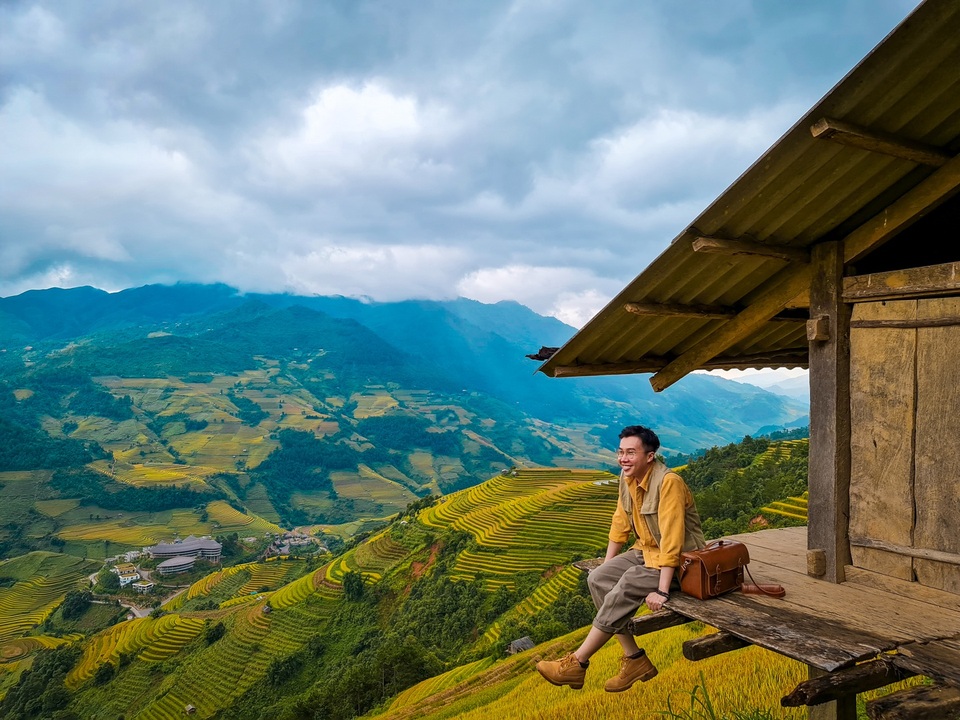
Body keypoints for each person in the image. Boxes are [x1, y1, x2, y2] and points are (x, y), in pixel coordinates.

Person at [536, 424, 705, 692]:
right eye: (620, 452)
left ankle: (576, 663)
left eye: (631, 453)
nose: (623, 459)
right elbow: (619, 523)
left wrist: (662, 590)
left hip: (682, 562)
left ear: (649, 456)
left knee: (628, 582)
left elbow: (672, 540)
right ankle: (634, 659)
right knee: (598, 579)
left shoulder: (668, 482)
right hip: (644, 550)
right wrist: (607, 566)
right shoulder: (626, 479)